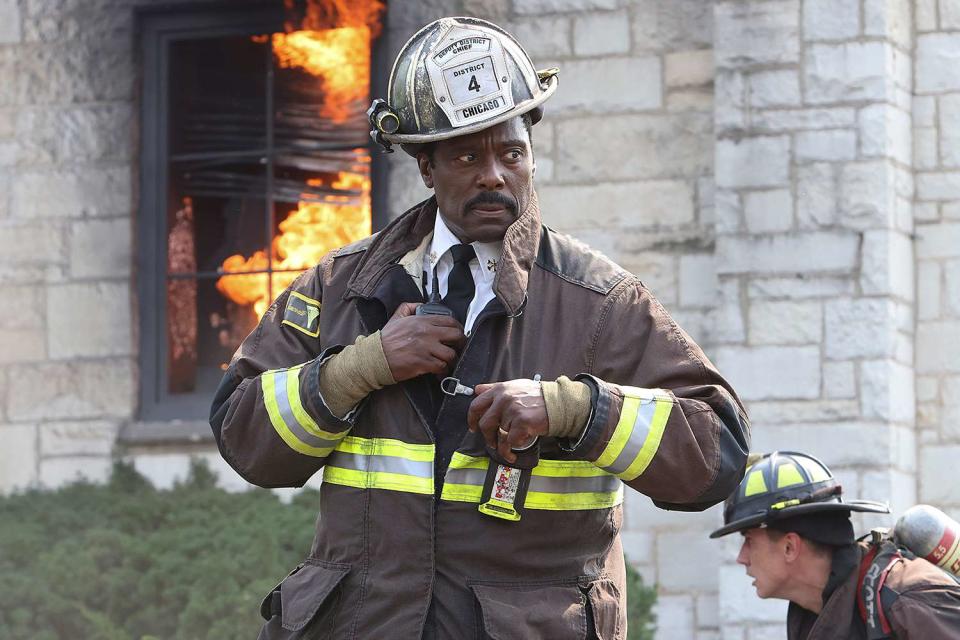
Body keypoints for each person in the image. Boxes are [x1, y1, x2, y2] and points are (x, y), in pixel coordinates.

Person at [210, 16, 750, 639]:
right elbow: (244, 435)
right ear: (426, 167)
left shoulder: (599, 302)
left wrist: (574, 409)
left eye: (511, 151)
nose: (494, 173)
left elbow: (716, 455)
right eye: (468, 154)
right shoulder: (343, 287)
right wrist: (360, 368)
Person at [710, 451, 960, 639]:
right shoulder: (811, 616)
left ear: (790, 547)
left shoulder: (907, 601)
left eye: (749, 540)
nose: (742, 558)